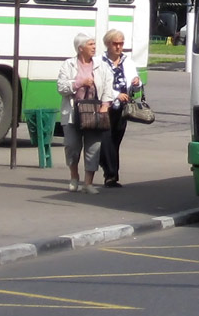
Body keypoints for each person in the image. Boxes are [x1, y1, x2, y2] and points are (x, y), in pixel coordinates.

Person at [56, 33, 115, 194]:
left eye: (94, 44)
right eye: (90, 44)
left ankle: (88, 183)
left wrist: (105, 105)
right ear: (80, 48)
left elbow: (108, 85)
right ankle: (74, 177)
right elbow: (61, 87)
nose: (94, 47)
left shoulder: (101, 65)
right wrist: (79, 83)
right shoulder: (68, 65)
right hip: (73, 113)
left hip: (94, 112)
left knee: (93, 148)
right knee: (72, 146)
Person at [98, 29, 141, 188]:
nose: (118, 47)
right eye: (115, 43)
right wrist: (116, 94)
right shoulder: (100, 61)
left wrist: (137, 82)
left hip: (123, 108)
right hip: (105, 106)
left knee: (115, 141)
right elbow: (100, 84)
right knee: (106, 140)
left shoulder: (127, 62)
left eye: (121, 43)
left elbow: (135, 83)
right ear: (108, 44)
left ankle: (111, 172)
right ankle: (110, 175)